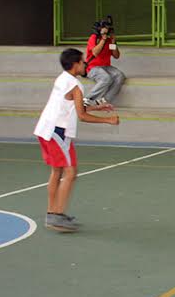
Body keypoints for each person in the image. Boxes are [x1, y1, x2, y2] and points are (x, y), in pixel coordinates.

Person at [33, 48, 120, 233]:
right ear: (75, 65)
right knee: (71, 172)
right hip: (57, 132)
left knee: (57, 171)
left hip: (45, 129)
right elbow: (81, 115)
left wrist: (98, 106)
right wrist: (108, 120)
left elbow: (73, 105)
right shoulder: (75, 85)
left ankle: (53, 212)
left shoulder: (62, 79)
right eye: (82, 62)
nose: (84, 64)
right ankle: (57, 217)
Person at [83, 16, 126, 107]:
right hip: (92, 67)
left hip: (106, 66)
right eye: (105, 28)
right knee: (106, 78)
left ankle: (104, 101)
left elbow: (116, 56)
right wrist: (103, 39)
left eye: (108, 29)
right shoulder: (94, 38)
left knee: (120, 76)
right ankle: (87, 99)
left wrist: (113, 42)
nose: (107, 30)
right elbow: (95, 52)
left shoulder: (110, 40)